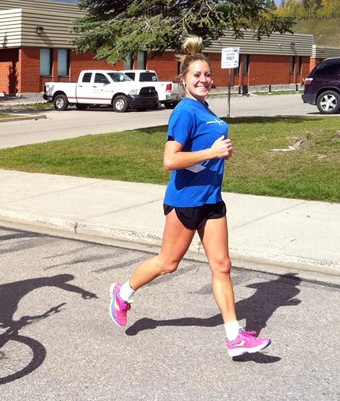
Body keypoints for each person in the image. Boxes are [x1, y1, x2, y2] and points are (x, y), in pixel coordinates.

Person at [108, 36, 271, 358]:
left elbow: (204, 151)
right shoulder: (184, 111)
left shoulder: (205, 109)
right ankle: (122, 293)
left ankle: (234, 336)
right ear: (183, 80)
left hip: (212, 199)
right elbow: (170, 160)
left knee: (222, 266)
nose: (204, 80)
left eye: (207, 75)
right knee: (168, 263)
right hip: (185, 201)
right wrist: (211, 151)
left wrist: (217, 154)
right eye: (196, 75)